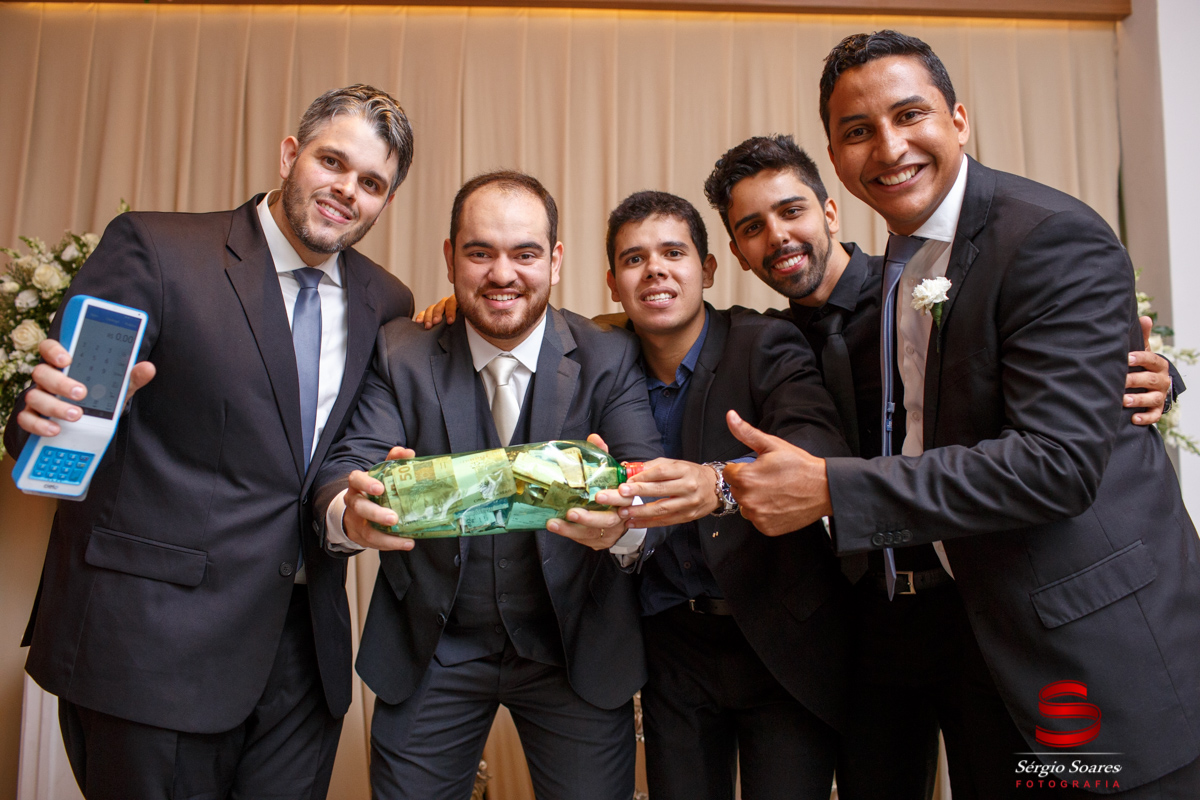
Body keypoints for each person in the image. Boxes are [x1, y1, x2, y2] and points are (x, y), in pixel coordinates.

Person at [723, 31, 1200, 798]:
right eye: (858, 131)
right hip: (960, 629)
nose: (889, 147)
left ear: (959, 120)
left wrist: (830, 490)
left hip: (1089, 645)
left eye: (909, 114)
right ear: (838, 157)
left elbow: (1057, 461)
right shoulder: (900, 268)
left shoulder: (1046, 235)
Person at [4, 85, 416, 799]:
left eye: (372, 183)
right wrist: (44, 412)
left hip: (302, 661)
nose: (347, 191)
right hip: (152, 648)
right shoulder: (158, 249)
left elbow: (345, 447)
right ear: (290, 155)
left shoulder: (387, 301)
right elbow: (64, 406)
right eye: (332, 162)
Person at [313, 170, 663, 800]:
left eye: (525, 254)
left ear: (555, 260)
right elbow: (348, 465)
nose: (503, 274)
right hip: (432, 646)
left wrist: (624, 524)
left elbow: (649, 481)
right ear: (450, 258)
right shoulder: (400, 351)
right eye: (480, 253)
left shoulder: (608, 355)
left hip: (574, 648)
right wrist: (349, 511)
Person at [601, 190, 851, 800]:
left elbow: (817, 446)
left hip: (778, 636)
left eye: (673, 253)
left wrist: (718, 483)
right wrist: (452, 311)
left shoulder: (766, 342)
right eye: (634, 259)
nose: (654, 270)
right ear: (613, 284)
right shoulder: (603, 359)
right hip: (670, 645)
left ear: (708, 269)